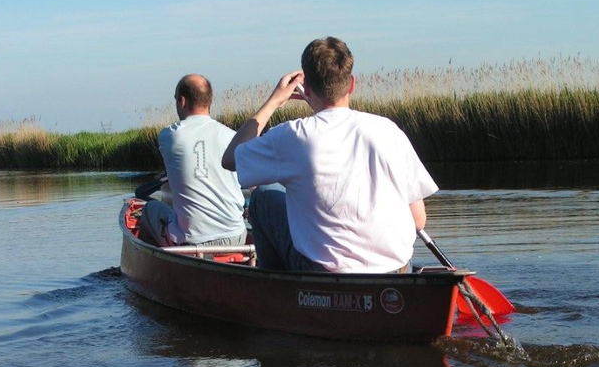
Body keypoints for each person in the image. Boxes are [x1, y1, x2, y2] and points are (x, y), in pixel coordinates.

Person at [222, 37, 437, 273]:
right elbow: (418, 221)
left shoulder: (293, 135)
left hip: (324, 274)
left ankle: (274, 289)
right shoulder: (389, 130)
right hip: (395, 272)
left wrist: (275, 101)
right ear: (352, 84)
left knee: (263, 196)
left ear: (308, 89)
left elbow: (230, 158)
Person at [140, 74, 247, 247]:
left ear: (182, 101)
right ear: (209, 101)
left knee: (149, 210)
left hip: (194, 242)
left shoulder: (168, 136)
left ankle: (151, 261)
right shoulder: (232, 136)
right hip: (236, 237)